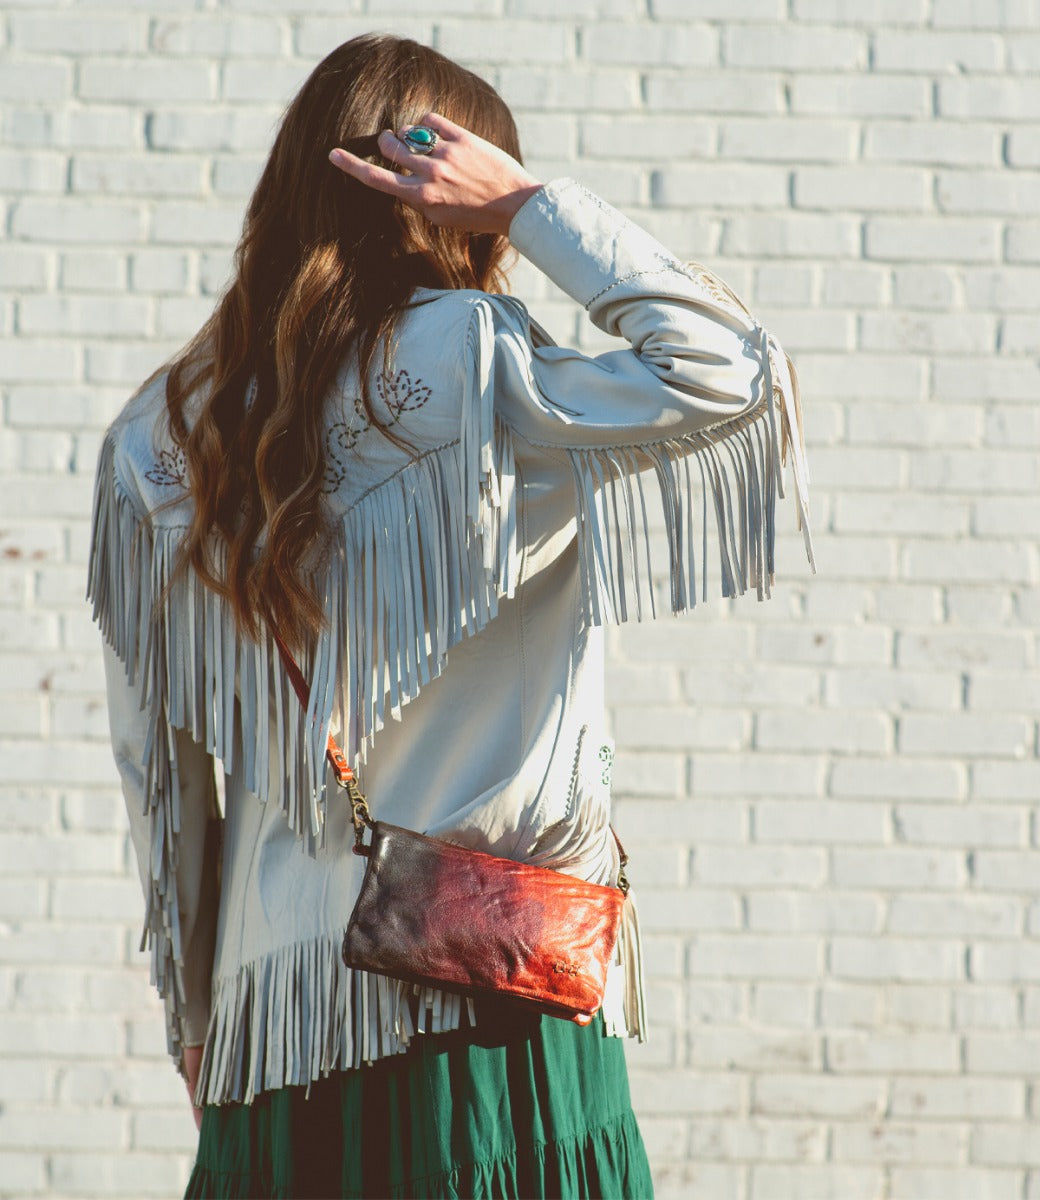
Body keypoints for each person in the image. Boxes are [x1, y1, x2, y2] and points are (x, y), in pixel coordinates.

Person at [88, 33, 812, 1200]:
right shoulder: (477, 367)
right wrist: (532, 206)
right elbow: (730, 370)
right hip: (490, 983)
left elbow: (159, 770)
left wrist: (194, 1012)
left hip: (273, 1021)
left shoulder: (160, 438)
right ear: (446, 201)